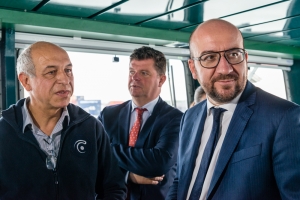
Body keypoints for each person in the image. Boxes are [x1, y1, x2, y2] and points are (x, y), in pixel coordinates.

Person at [166, 19, 300, 200]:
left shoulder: (284, 117)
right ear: (193, 68)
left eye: (234, 54)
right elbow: (181, 180)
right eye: (209, 57)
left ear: (245, 59)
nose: (225, 68)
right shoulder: (189, 117)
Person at [0, 41, 127, 200]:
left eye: (68, 70)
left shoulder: (91, 128)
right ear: (26, 81)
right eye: (51, 72)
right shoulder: (3, 133)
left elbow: (113, 187)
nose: (65, 79)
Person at [98, 46, 183, 200]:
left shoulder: (175, 119)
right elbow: (93, 159)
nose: (134, 78)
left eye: (144, 73)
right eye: (132, 72)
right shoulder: (108, 115)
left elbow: (159, 162)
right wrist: (128, 175)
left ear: (161, 80)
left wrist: (107, 151)